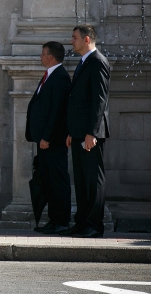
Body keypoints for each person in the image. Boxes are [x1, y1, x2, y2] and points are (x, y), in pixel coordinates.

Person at [60, 24, 110, 238]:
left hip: (92, 134)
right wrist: (73, 131)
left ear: (86, 39)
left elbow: (99, 100)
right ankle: (82, 222)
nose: (71, 41)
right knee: (80, 179)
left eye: (74, 37)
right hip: (80, 131)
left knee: (92, 179)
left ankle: (93, 225)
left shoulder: (98, 61)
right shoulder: (84, 62)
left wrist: (91, 132)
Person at [26, 41, 71, 234]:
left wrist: (47, 137)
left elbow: (57, 112)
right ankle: (54, 220)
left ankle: (61, 221)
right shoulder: (50, 76)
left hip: (52, 142)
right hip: (45, 141)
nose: (41, 57)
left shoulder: (60, 77)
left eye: (43, 54)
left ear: (50, 56)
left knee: (57, 181)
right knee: (49, 181)